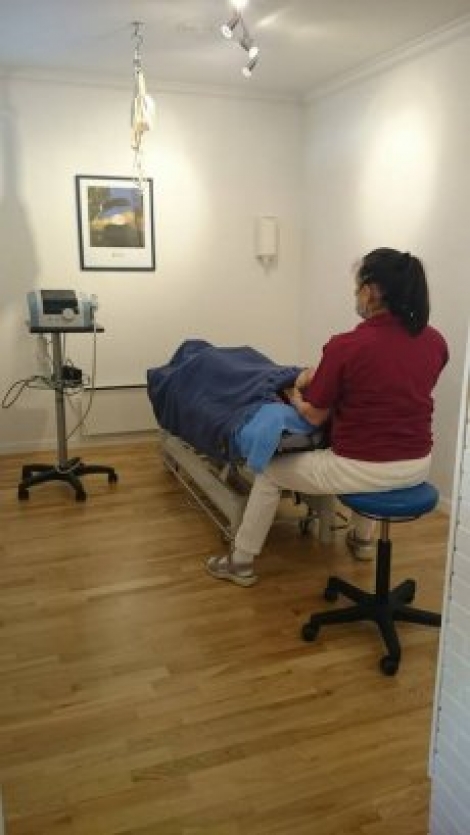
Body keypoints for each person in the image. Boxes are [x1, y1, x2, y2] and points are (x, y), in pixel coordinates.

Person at [206, 247, 449, 586]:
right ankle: (362, 541)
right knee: (376, 462)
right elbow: (397, 393)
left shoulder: (347, 345)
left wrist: (295, 394)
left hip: (361, 467)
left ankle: (240, 561)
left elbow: (314, 416)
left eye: (358, 286)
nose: (355, 294)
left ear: (371, 291)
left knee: (269, 473)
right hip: (417, 465)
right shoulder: (435, 341)